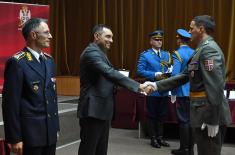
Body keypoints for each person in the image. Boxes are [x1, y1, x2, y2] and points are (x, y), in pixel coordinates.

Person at [145, 15, 232, 155]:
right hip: (202, 111)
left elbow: (215, 86)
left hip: (208, 114)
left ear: (201, 29)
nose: (189, 31)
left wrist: (213, 119)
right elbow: (184, 76)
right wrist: (156, 86)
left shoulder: (209, 50)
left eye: (191, 28)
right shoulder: (200, 50)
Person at [77, 24, 154, 155]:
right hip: (92, 109)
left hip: (101, 109)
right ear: (96, 36)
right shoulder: (91, 52)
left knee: (100, 149)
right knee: (89, 149)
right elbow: (108, 72)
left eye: (112, 37)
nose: (111, 40)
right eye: (108, 36)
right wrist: (138, 86)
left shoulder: (100, 52)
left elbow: (106, 76)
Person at [2, 18, 59, 155]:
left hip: (49, 133)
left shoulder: (49, 60)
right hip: (30, 135)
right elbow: (10, 104)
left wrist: (55, 128)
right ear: (33, 35)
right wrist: (15, 138)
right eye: (46, 33)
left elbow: (52, 98)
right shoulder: (17, 63)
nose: (50, 36)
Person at [137, 30, 171, 148]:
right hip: (152, 89)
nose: (159, 42)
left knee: (162, 115)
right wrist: (154, 74)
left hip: (164, 89)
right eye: (156, 40)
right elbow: (140, 70)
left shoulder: (167, 54)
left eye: (160, 40)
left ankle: (160, 138)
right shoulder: (145, 55)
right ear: (151, 41)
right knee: (152, 115)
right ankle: (153, 138)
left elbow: (169, 68)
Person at [170, 29, 194, 155]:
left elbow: (176, 76)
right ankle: (190, 149)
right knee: (191, 121)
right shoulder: (194, 52)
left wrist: (173, 92)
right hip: (193, 91)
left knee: (183, 121)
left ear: (179, 39)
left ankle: (184, 149)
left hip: (182, 91)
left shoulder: (177, 53)